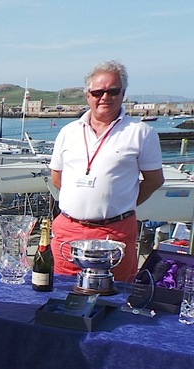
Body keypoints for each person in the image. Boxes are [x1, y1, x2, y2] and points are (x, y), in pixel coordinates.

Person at [50, 60, 165, 282]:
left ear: (123, 94)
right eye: (98, 92)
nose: (105, 97)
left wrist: (122, 202)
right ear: (87, 95)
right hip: (68, 231)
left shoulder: (141, 132)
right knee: (60, 294)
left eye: (113, 91)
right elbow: (57, 178)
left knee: (115, 296)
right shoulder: (68, 132)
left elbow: (154, 180)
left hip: (114, 233)